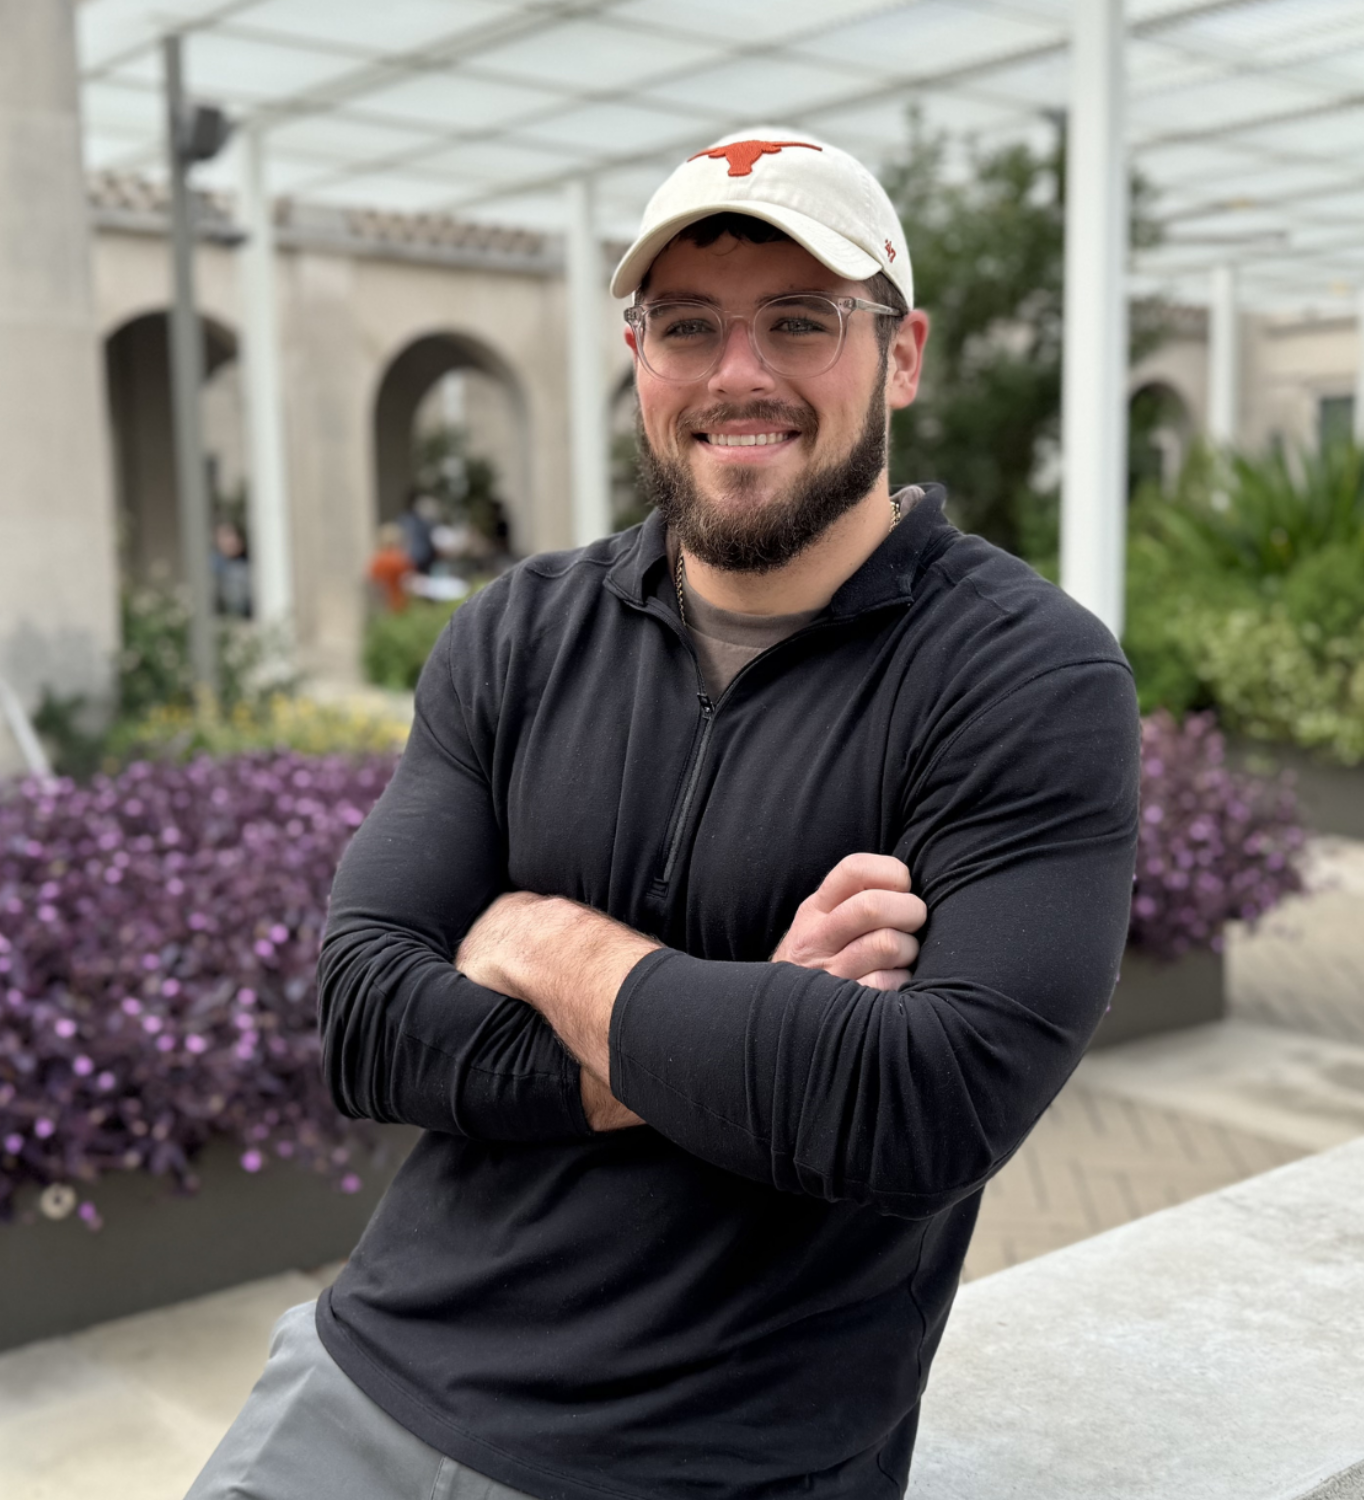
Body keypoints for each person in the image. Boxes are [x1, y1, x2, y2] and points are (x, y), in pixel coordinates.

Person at [188, 129, 1139, 1500]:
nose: (738, 375)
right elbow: (365, 1021)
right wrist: (758, 1019)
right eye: (687, 326)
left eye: (801, 321)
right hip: (360, 1389)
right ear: (637, 354)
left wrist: (546, 948)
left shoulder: (1022, 674)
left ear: (905, 352)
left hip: (717, 1462)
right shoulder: (518, 634)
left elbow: (920, 1107)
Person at [368, 522, 415, 612]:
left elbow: (373, 582)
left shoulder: (377, 559)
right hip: (398, 604)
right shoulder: (400, 559)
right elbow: (408, 582)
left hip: (381, 605)